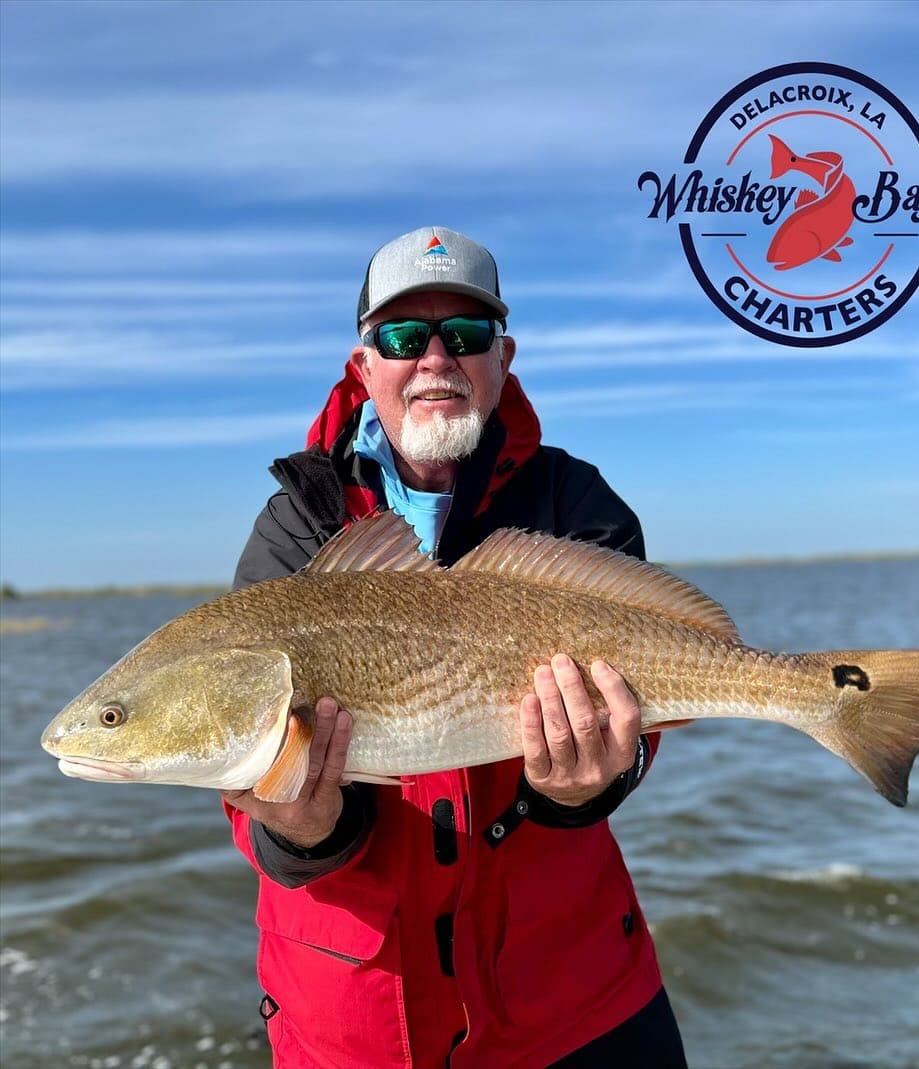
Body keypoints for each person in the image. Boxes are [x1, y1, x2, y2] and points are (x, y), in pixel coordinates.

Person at [223, 227, 688, 1069]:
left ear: (502, 358)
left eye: (465, 336)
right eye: (403, 337)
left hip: (574, 1002)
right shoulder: (296, 522)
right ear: (364, 364)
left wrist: (586, 786)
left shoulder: (572, 498)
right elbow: (256, 793)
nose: (434, 358)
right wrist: (300, 828)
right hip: (356, 1021)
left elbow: (640, 724)